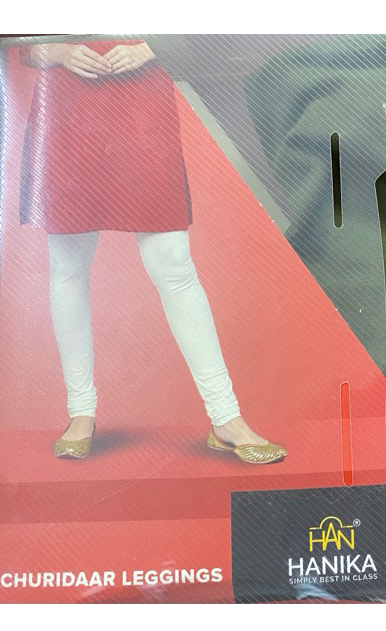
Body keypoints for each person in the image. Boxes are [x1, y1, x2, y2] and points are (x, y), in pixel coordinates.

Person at [20, 39, 286, 465]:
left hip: (141, 96)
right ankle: (80, 412)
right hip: (66, 104)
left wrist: (152, 46)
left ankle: (225, 416)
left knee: (174, 264)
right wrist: (54, 52)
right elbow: (16, 41)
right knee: (67, 267)